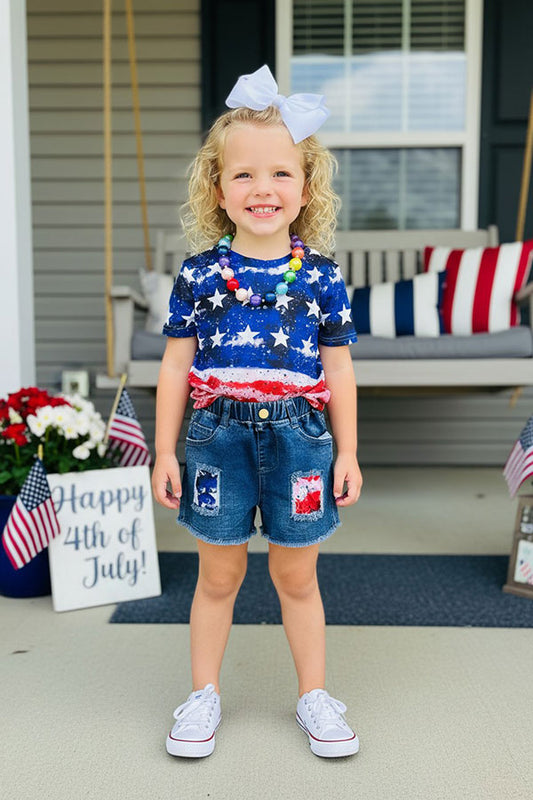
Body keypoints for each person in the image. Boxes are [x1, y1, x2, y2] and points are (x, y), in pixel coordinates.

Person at [152, 64, 362, 760]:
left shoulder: (323, 277)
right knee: (219, 575)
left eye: (279, 174)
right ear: (218, 188)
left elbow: (339, 370)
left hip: (302, 438)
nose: (261, 189)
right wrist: (163, 450)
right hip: (216, 437)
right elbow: (176, 365)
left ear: (304, 189)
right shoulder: (200, 274)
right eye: (243, 175)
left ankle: (312, 696)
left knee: (295, 576)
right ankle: (203, 693)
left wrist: (349, 452)